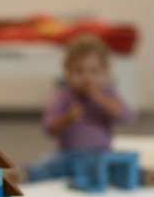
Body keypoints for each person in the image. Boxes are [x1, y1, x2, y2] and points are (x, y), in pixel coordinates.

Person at [24, 34, 133, 182]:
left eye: (94, 71)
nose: (87, 77)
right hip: (69, 155)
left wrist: (98, 96)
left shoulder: (107, 94)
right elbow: (49, 128)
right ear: (67, 71)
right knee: (48, 165)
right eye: (79, 71)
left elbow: (125, 116)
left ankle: (147, 176)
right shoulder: (63, 96)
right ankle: (22, 174)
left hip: (102, 155)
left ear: (105, 72)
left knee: (121, 166)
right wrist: (68, 119)